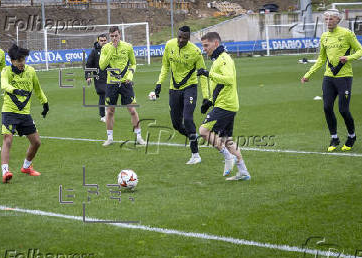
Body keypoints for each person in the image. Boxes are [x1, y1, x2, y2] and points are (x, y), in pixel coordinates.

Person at [301, 9, 362, 152]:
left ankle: (351, 136)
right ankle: (334, 137)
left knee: (343, 110)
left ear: (338, 20)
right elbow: (321, 58)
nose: (328, 21)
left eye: (331, 19)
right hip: (329, 78)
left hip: (344, 78)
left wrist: (348, 58)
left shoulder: (347, 34)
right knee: (327, 107)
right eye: (326, 19)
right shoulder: (324, 37)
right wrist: (308, 74)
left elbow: (360, 50)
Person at [154, 26, 211, 164]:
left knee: (188, 119)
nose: (180, 40)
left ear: (188, 38)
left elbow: (203, 74)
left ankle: (195, 155)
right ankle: (194, 136)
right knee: (177, 125)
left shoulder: (196, 52)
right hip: (174, 89)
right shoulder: (169, 45)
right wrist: (159, 83)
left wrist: (206, 97)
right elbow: (165, 66)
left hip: (189, 88)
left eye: (184, 38)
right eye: (179, 36)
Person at [197, 32, 250, 181]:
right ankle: (243, 171)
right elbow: (220, 85)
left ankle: (228, 157)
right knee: (227, 139)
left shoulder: (224, 59)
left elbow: (229, 79)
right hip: (225, 103)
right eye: (203, 46)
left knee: (203, 131)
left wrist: (207, 74)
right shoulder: (218, 59)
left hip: (226, 104)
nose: (204, 49)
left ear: (216, 43)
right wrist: (209, 101)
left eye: (206, 45)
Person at [0, 44, 49, 183]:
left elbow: (38, 89)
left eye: (23, 60)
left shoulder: (31, 71)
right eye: (19, 60)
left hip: (25, 113)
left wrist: (45, 103)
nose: (22, 63)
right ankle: (5, 171)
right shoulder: (6, 71)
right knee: (8, 139)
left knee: (36, 142)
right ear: (12, 60)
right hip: (9, 111)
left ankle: (26, 167)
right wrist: (15, 90)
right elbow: (3, 84)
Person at [99, 26, 146, 146]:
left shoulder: (128, 46)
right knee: (110, 111)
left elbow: (134, 63)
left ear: (120, 34)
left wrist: (130, 76)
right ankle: (109, 138)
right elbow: (102, 66)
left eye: (116, 35)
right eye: (112, 36)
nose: (114, 38)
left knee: (132, 110)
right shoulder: (105, 48)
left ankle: (139, 137)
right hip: (111, 83)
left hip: (126, 83)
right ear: (109, 36)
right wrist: (111, 50)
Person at [85, 34, 108, 122]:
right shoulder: (94, 52)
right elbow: (88, 64)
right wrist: (88, 76)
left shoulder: (110, 50)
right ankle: (103, 115)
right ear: (98, 41)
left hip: (109, 76)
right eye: (101, 41)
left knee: (110, 94)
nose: (103, 42)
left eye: (104, 40)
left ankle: (108, 113)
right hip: (99, 77)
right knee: (103, 94)